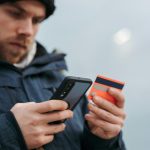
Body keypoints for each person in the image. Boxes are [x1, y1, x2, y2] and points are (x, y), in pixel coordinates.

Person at [0, 0, 126, 150]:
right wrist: (9, 133)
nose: (27, 30)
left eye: (36, 21)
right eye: (15, 14)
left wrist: (103, 140)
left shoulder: (58, 80)